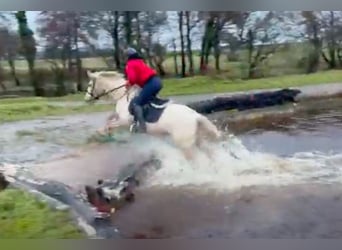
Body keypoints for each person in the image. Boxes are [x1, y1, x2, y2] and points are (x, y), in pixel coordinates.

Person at [124, 47, 163, 133]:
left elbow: (133, 78)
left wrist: (128, 83)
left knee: (136, 102)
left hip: (150, 84)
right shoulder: (139, 61)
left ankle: (142, 127)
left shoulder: (130, 64)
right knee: (146, 100)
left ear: (127, 56)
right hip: (157, 82)